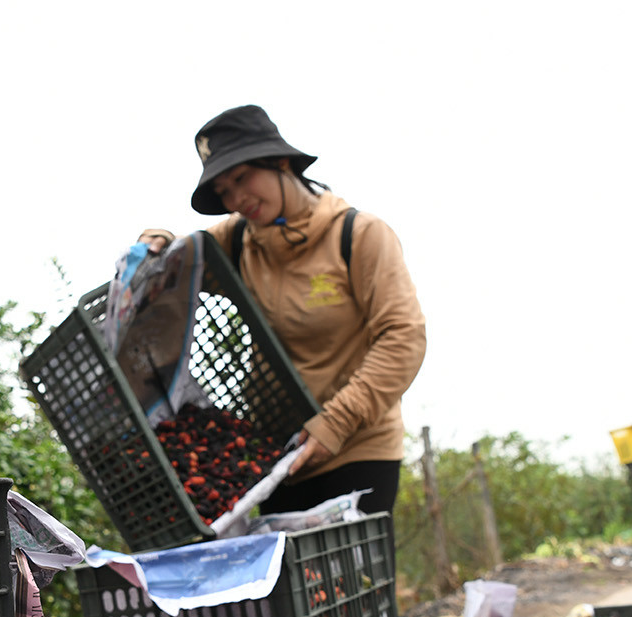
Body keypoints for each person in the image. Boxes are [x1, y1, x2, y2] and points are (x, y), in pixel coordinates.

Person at [139, 105, 427, 516]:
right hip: (277, 461)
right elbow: (185, 257)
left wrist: (336, 423)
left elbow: (404, 338)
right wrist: (158, 239)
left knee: (353, 578)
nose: (236, 198)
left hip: (356, 450)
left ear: (281, 161)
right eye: (223, 190)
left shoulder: (359, 236)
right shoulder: (239, 240)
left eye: (242, 178)